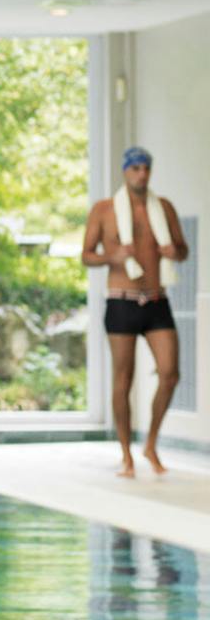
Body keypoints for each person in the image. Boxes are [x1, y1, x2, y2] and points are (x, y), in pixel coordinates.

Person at [82, 146, 188, 478]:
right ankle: (126, 453)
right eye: (136, 168)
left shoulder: (164, 208)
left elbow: (182, 250)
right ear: (126, 171)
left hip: (156, 300)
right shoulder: (104, 210)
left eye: (146, 168)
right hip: (121, 300)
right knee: (122, 380)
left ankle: (151, 443)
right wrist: (111, 258)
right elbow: (86, 255)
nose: (142, 174)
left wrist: (175, 250)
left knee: (170, 374)